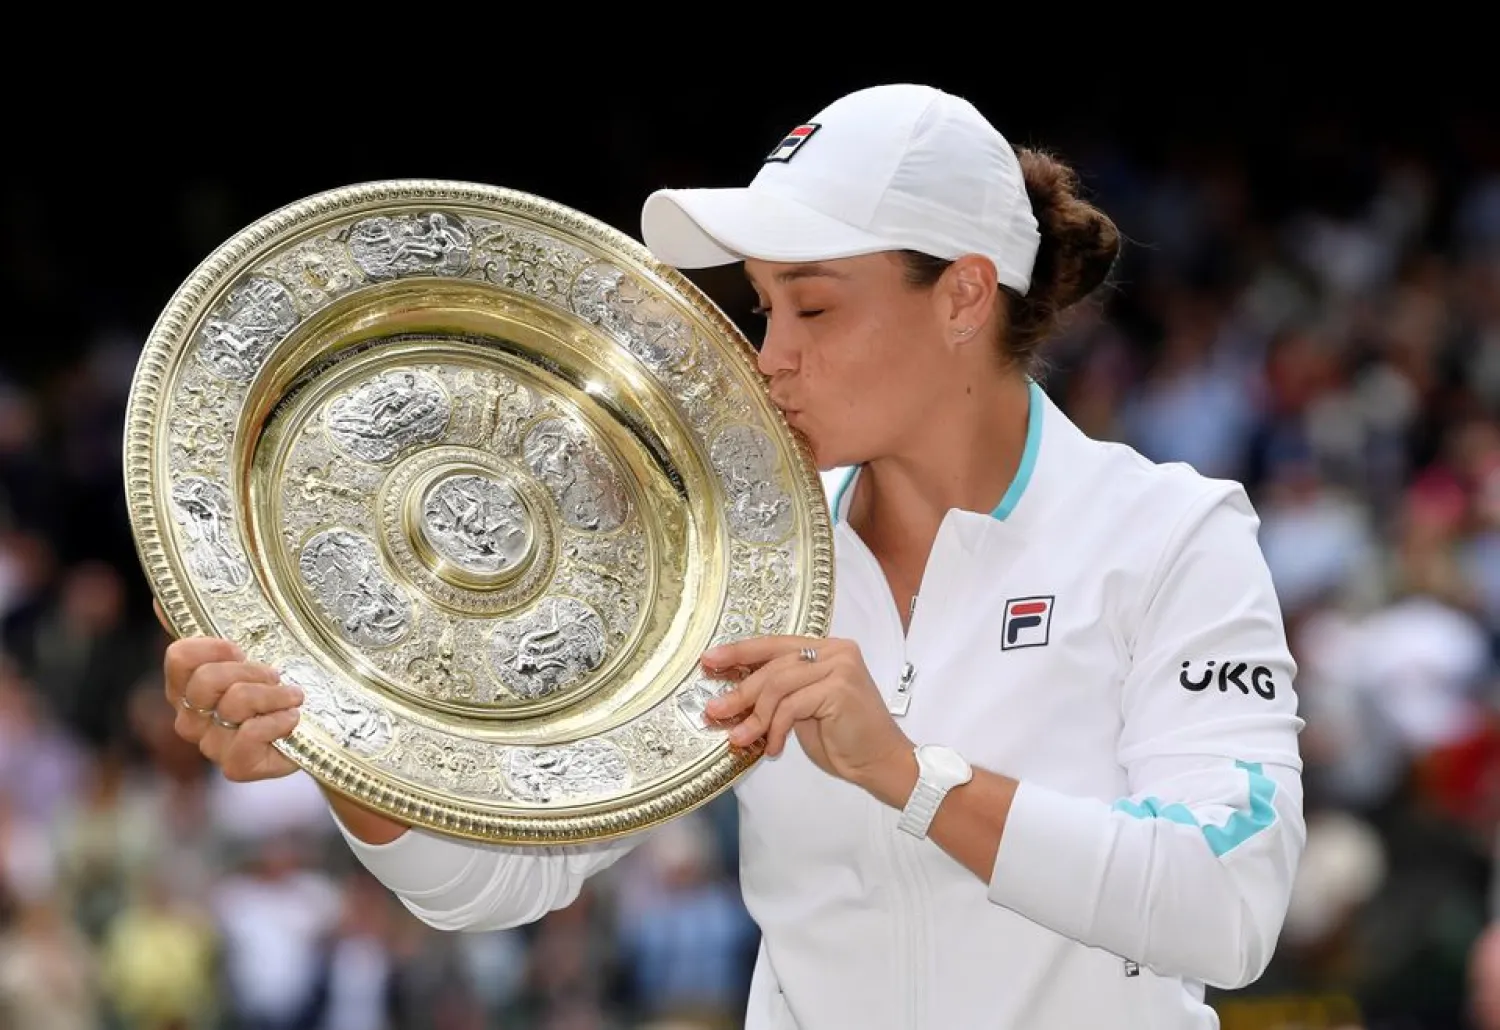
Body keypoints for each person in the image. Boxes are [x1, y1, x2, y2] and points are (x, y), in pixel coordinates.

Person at [159, 83, 1307, 1028]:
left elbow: (1228, 905)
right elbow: (507, 881)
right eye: (764, 310)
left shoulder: (1169, 534)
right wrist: (345, 757)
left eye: (812, 309)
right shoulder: (741, 551)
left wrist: (911, 775)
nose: (770, 359)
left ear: (963, 296)